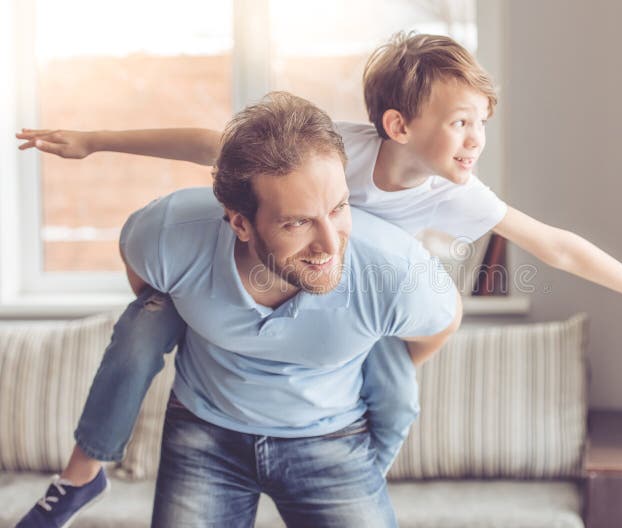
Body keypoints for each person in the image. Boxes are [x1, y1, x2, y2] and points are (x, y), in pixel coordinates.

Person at [16, 32, 622, 526]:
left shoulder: (457, 196)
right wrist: (98, 139)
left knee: (397, 394)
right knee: (142, 324)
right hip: (248, 330)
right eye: (461, 122)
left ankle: (361, 465)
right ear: (396, 125)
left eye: (483, 123)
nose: (476, 139)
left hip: (360, 318)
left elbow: (555, 247)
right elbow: (211, 145)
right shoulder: (329, 150)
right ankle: (84, 470)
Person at [22, 92, 462, 526]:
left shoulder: (395, 270)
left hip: (331, 437)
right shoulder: (167, 233)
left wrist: (359, 356)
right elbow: (148, 285)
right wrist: (197, 312)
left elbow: (442, 325)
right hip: (205, 432)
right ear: (240, 223)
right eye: (298, 222)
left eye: (339, 208)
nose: (331, 244)